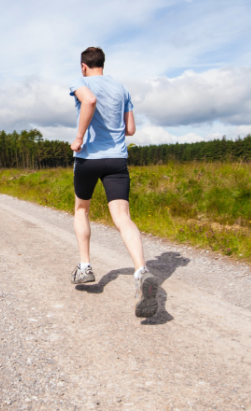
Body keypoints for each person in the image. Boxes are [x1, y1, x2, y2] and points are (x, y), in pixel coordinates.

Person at [68, 46, 158, 318]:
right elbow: (130, 129)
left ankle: (85, 267)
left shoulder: (80, 82)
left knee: (82, 209)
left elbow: (90, 101)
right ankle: (141, 270)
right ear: (102, 64)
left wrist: (80, 138)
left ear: (84, 66)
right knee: (122, 217)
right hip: (117, 159)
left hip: (88, 159)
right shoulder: (121, 88)